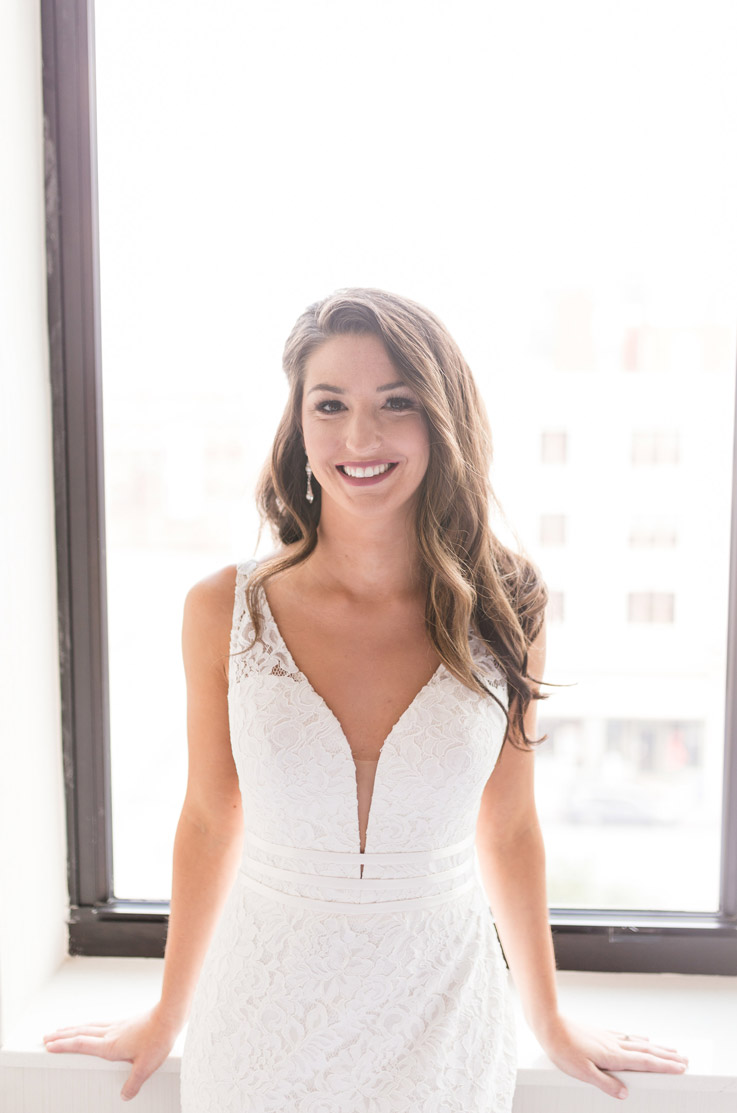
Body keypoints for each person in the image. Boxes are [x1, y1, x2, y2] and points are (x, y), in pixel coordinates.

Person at [43, 288, 689, 1109]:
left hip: (441, 1013)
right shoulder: (224, 609)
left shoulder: (508, 605)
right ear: (298, 424)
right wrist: (169, 1012)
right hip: (260, 1021)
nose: (359, 437)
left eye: (395, 404)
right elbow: (210, 815)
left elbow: (510, 821)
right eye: (330, 405)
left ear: (439, 418)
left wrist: (549, 1016)